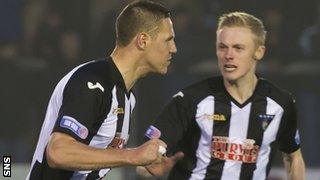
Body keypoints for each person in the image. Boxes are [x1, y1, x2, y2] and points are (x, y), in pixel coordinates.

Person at [138, 12, 305, 180]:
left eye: (238, 48)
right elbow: (144, 161)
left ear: (259, 52)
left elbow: (293, 157)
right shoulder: (190, 100)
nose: (228, 55)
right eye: (222, 47)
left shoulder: (280, 103)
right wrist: (150, 167)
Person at [26, 1, 178, 179]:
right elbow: (58, 152)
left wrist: (143, 163)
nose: (174, 49)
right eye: (168, 40)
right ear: (143, 41)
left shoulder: (128, 98)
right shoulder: (92, 81)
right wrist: (133, 155)